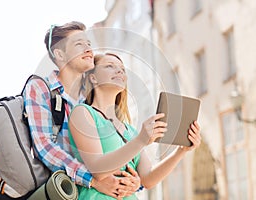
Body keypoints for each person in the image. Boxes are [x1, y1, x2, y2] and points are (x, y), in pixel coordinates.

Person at [23, 22, 141, 198]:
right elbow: (45, 147)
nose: (88, 49)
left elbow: (112, 148)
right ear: (59, 54)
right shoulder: (41, 88)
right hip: (62, 191)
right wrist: (93, 180)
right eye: (79, 44)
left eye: (88, 44)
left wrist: (134, 181)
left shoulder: (90, 100)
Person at [68, 53, 202, 199]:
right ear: (93, 78)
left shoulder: (129, 130)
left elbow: (147, 179)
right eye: (109, 66)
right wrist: (141, 140)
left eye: (122, 69)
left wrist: (180, 152)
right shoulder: (83, 113)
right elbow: (98, 170)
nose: (119, 71)